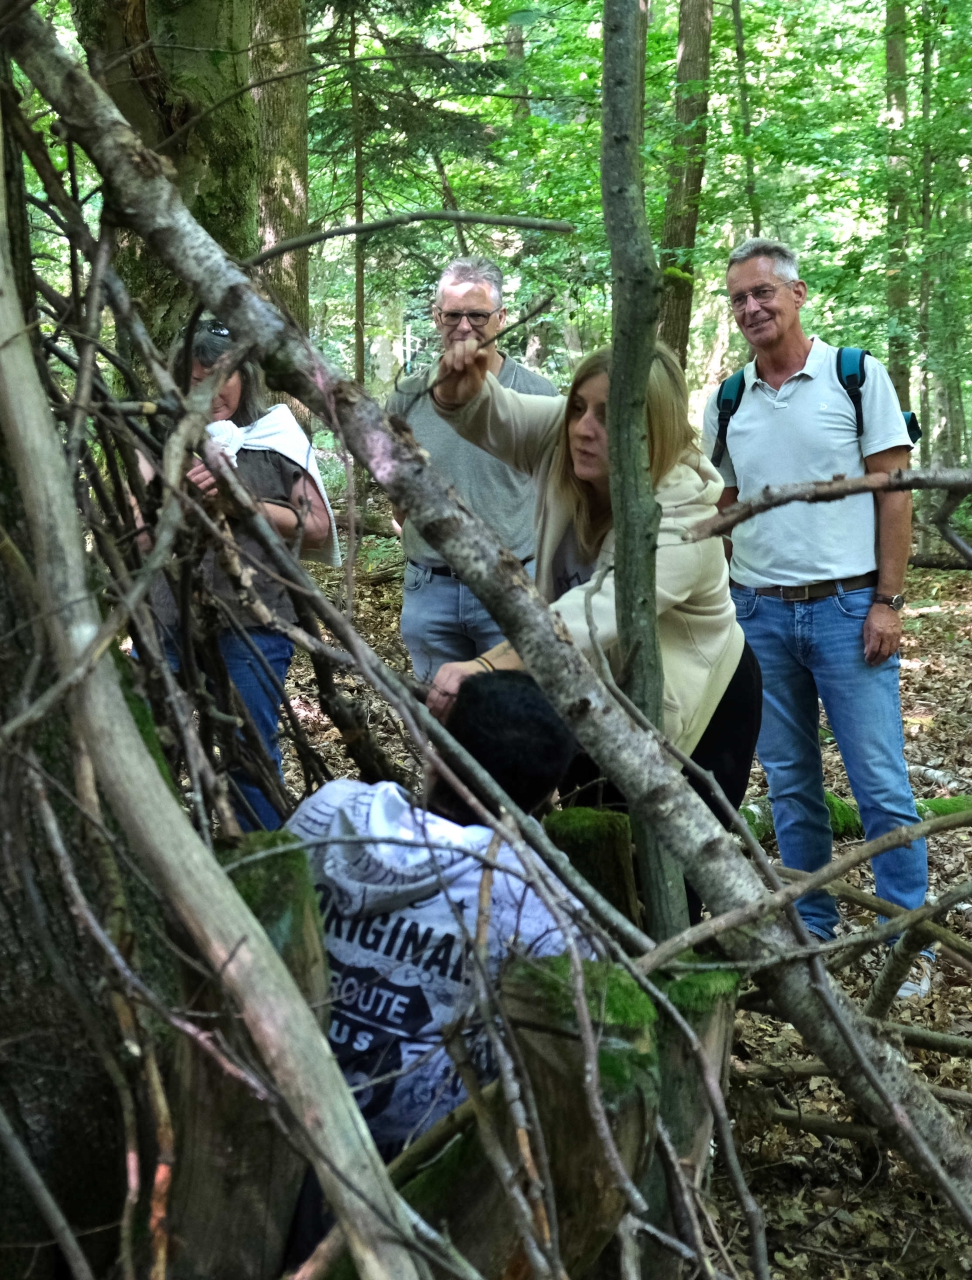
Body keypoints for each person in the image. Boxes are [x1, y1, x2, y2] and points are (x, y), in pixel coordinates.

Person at [705, 237, 929, 993]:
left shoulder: (854, 375)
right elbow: (720, 502)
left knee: (880, 783)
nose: (751, 308)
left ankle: (908, 942)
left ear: (798, 295)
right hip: (760, 613)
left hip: (846, 608)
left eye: (763, 292)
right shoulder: (729, 397)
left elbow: (893, 491)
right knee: (791, 782)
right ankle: (813, 929)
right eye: (738, 298)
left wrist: (887, 602)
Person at [421, 339, 760, 817]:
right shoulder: (567, 437)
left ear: (651, 429)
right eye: (578, 407)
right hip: (589, 690)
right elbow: (500, 414)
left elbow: (592, 616)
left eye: (607, 414)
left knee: (664, 878)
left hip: (700, 708)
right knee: (587, 840)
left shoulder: (686, 518)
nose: (583, 428)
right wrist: (462, 393)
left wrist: (490, 664)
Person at [288, 670, 580, 1154]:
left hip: (280, 1102)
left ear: (434, 751)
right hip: (421, 1160)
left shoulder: (330, 812)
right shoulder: (543, 907)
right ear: (545, 795)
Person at [145, 323, 336, 831]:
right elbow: (138, 539)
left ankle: (260, 876)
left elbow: (316, 527)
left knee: (249, 755)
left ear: (245, 376)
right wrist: (174, 500)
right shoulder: (158, 441)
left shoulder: (276, 436)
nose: (211, 390)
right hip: (168, 616)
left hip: (257, 620)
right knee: (148, 740)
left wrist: (245, 504)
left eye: (221, 375)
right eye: (195, 378)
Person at [388, 257, 556, 681]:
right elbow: (399, 496)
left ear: (500, 319)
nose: (464, 327)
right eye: (453, 315)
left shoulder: (538, 395)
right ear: (436, 317)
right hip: (431, 589)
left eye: (478, 315)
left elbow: (558, 495)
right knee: (439, 723)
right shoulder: (407, 396)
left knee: (513, 725)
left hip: (512, 587)